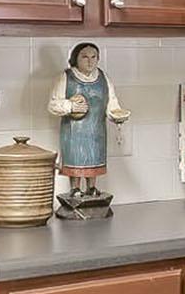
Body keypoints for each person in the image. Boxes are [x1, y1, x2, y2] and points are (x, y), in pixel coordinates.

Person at [47, 43, 129, 212]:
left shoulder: (103, 78)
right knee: (76, 157)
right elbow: (53, 104)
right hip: (74, 130)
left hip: (96, 129)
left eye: (94, 57)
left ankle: (91, 187)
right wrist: (70, 106)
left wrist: (116, 115)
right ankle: (75, 188)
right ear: (75, 58)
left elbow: (111, 102)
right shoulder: (66, 77)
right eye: (85, 57)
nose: (90, 61)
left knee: (94, 156)